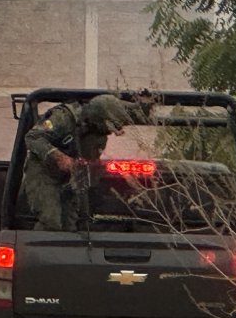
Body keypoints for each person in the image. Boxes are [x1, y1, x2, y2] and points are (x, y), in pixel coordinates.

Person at [22, 93, 149, 231]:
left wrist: (145, 105)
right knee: (50, 221)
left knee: (71, 225)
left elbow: (89, 162)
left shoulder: (98, 135)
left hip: (71, 177)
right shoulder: (64, 117)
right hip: (44, 173)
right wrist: (57, 156)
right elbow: (33, 137)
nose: (109, 132)